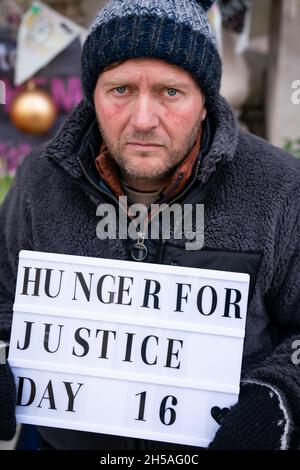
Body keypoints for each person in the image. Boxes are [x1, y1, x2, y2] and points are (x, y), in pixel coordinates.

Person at [0, 0, 299, 451]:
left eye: (170, 92)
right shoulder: (39, 180)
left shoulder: (278, 188)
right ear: (93, 94)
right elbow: (5, 297)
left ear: (204, 102)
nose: (143, 120)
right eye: (120, 89)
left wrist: (278, 399)